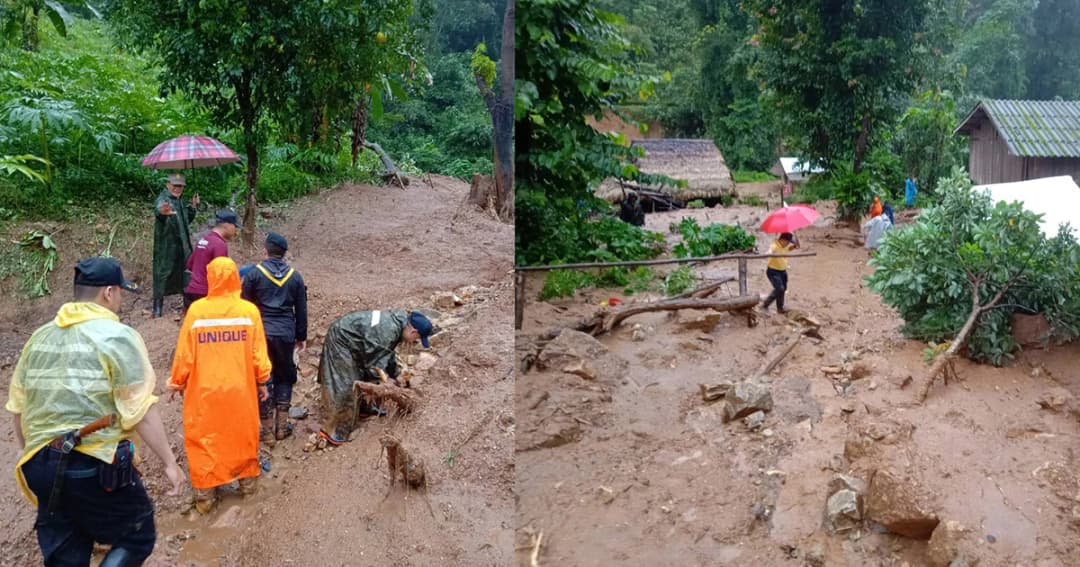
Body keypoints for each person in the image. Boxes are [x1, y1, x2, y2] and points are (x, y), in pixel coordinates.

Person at [6, 257, 185, 566]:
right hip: (94, 463)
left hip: (39, 462)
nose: (119, 300)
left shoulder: (39, 337)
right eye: (120, 294)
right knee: (137, 534)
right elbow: (138, 407)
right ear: (109, 292)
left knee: (67, 552)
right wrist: (170, 462)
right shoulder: (117, 336)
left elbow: (19, 408)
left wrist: (38, 457)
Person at [169, 256, 271, 514]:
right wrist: (262, 381)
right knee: (242, 437)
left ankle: (205, 498)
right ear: (236, 279)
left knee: (204, 439)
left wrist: (177, 382)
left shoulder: (197, 312)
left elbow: (184, 355)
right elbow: (259, 356)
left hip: (204, 393)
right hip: (240, 390)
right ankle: (248, 489)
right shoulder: (249, 312)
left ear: (210, 279)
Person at [316, 310, 434, 445]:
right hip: (341, 340)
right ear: (413, 331)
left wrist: (396, 374)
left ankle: (363, 408)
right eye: (417, 339)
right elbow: (374, 364)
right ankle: (336, 429)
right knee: (346, 383)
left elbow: (385, 353)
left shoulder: (397, 326)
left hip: (357, 343)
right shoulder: (389, 330)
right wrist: (385, 384)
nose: (415, 342)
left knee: (363, 375)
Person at [241, 233, 308, 444]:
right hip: (286, 333)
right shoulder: (295, 277)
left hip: (260, 333)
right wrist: (301, 336)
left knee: (263, 378)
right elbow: (302, 309)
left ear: (265, 251)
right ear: (284, 253)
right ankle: (282, 426)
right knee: (285, 376)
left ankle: (267, 430)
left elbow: (244, 306)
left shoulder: (254, 274)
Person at [152, 172, 199, 318]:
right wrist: (162, 212)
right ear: (168, 185)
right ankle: (157, 309)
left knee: (186, 273)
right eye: (175, 185)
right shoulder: (163, 199)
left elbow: (186, 221)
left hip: (183, 244)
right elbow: (159, 210)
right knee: (162, 273)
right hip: (166, 245)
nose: (177, 189)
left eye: (180, 186)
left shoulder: (180, 201)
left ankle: (187, 306)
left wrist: (192, 207)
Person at [183, 209, 241, 310]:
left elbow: (190, 265)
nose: (236, 230)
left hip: (191, 292)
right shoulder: (219, 244)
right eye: (235, 226)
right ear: (226, 225)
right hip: (205, 295)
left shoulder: (204, 239)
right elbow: (221, 276)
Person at [761, 232, 799, 314]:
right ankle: (765, 304)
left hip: (783, 271)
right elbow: (771, 249)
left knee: (783, 289)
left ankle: (779, 308)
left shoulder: (786, 246)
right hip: (773, 271)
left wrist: (796, 235)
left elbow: (796, 246)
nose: (788, 244)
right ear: (782, 240)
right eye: (788, 242)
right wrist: (769, 253)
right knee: (780, 289)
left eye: (789, 242)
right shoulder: (775, 245)